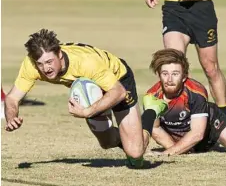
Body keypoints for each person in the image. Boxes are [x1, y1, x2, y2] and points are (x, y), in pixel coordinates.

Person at [4, 29, 167, 168]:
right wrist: (11, 118)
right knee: (107, 142)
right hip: (92, 90)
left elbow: (119, 92)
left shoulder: (86, 63)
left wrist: (88, 111)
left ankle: (151, 111)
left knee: (136, 153)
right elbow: (12, 98)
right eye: (40, 64)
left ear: (59, 54)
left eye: (49, 61)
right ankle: (127, 136)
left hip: (118, 81)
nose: (45, 68)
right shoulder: (31, 65)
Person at [145, 0, 226, 115]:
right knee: (174, 64)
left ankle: (223, 114)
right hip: (173, 9)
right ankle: (177, 117)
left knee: (211, 68)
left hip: (202, 8)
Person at [142, 48, 226, 155]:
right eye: (165, 73)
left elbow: (198, 133)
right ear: (159, 75)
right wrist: (177, 148)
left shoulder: (196, 92)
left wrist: (168, 153)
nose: (169, 79)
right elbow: (155, 128)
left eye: (175, 74)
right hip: (179, 139)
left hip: (209, 127)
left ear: (184, 76)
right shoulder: (152, 96)